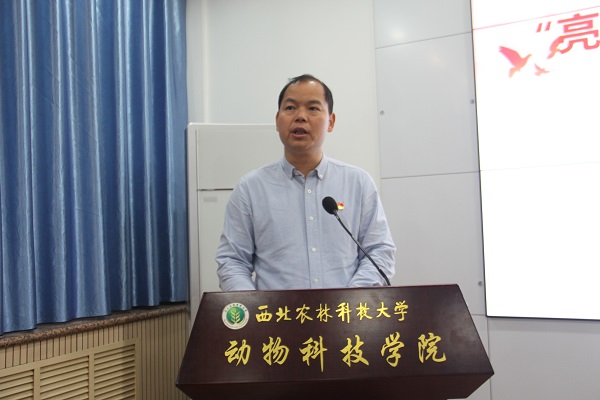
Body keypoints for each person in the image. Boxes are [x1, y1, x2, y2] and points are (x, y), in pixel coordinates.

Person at [216, 74, 395, 291]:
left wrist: (351, 301)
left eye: (313, 108)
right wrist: (254, 308)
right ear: (277, 120)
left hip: (345, 311)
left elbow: (379, 251)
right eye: (290, 108)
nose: (300, 116)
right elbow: (232, 261)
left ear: (331, 122)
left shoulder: (358, 183)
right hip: (276, 312)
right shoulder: (250, 189)